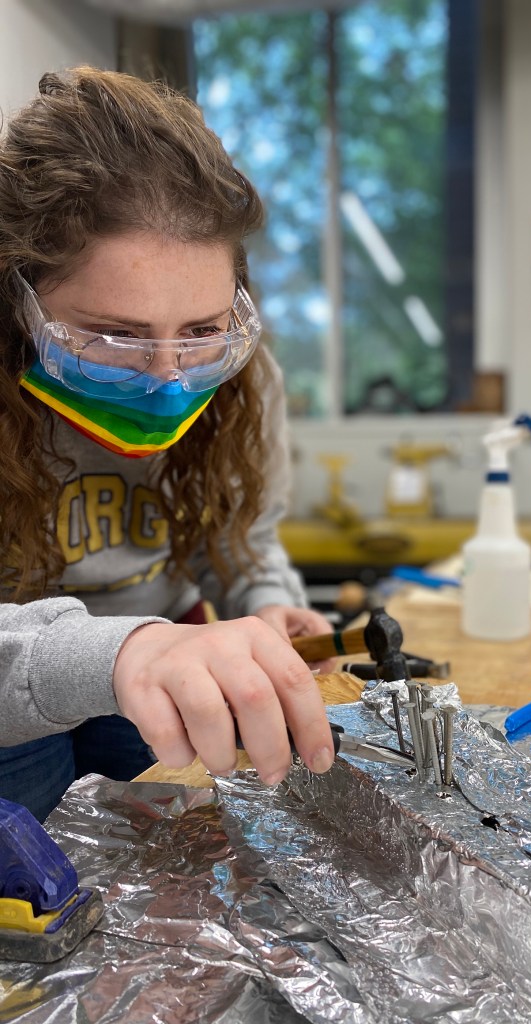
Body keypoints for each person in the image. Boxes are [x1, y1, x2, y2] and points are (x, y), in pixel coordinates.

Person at [0, 66, 337, 821]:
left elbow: (241, 536)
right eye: (112, 337)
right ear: (17, 300)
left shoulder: (245, 383)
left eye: (201, 333)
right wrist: (119, 653)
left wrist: (270, 604)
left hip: (161, 667)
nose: (165, 380)